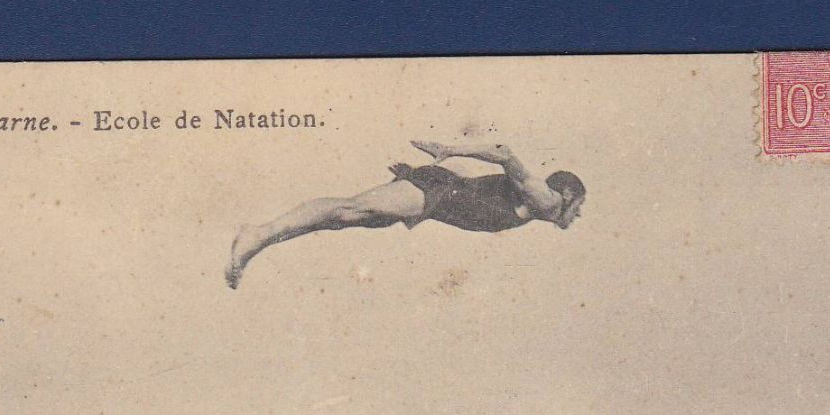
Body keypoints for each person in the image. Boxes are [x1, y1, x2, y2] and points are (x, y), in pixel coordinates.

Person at [225, 139, 585, 288]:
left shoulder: (534, 207)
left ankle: (260, 237)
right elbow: (505, 153)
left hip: (436, 196)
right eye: (579, 207)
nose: (577, 217)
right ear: (567, 195)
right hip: (437, 193)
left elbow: (481, 193)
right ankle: (257, 234)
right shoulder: (547, 201)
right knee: (346, 208)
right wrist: (449, 149)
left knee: (340, 218)